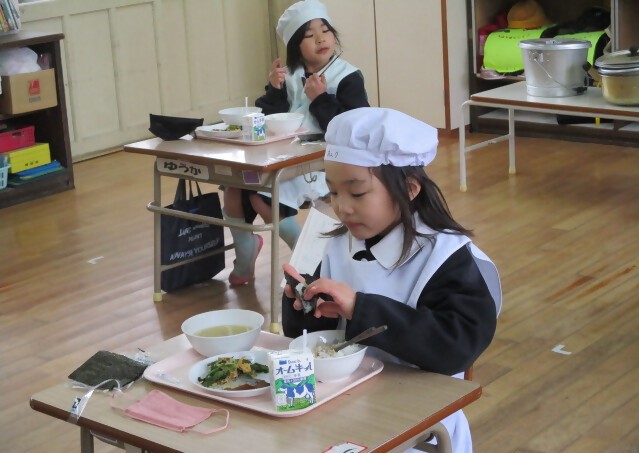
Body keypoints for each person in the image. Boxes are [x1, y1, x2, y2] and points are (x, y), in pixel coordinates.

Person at [282, 107, 502, 453]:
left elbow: (455, 347)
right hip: (343, 405)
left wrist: (360, 307)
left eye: (357, 194)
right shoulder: (337, 244)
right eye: (333, 193)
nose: (342, 208)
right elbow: (308, 338)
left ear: (410, 188)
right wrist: (302, 303)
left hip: (418, 425)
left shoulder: (445, 257)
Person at [223, 0, 369, 286]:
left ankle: (307, 257)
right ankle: (245, 253)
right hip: (282, 156)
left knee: (261, 192)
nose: (320, 39)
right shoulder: (290, 75)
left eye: (325, 31)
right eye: (308, 35)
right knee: (233, 185)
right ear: (294, 46)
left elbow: (354, 128)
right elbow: (264, 119)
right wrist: (275, 90)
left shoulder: (348, 76)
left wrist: (321, 99)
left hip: (322, 161)